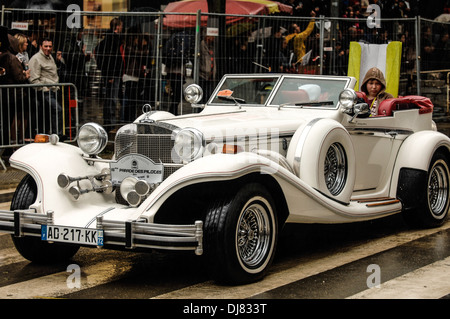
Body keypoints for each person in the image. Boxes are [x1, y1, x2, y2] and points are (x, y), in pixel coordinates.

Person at [28, 37, 64, 135]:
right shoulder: (36, 59)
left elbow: (53, 72)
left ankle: (53, 135)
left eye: (50, 46)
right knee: (57, 110)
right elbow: (33, 79)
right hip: (45, 92)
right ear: (41, 47)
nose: (48, 48)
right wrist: (44, 88)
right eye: (46, 46)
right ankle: (58, 135)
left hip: (53, 90)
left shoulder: (50, 57)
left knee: (49, 114)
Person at [94, 18, 124, 127]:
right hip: (112, 74)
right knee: (111, 99)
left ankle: (108, 121)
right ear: (117, 27)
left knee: (110, 98)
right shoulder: (113, 41)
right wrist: (110, 74)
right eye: (121, 26)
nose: (122, 28)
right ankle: (110, 122)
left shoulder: (108, 39)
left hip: (111, 73)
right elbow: (111, 59)